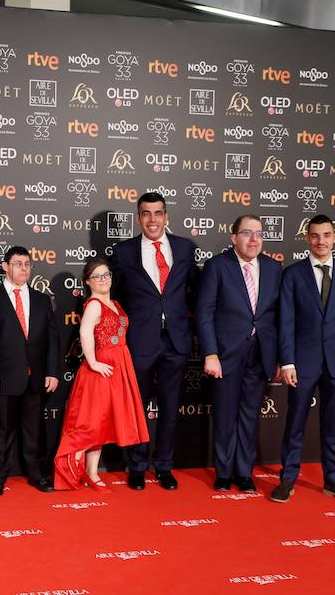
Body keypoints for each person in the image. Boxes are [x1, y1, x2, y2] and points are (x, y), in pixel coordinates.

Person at [273, 214, 335, 505]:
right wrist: (287, 362)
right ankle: (287, 479)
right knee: (295, 422)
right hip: (302, 362)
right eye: (315, 235)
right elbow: (285, 321)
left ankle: (334, 481)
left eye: (326, 235)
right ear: (307, 238)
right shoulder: (293, 274)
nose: (321, 241)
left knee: (333, 425)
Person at [112, 192, 199, 490]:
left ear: (166, 216)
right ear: (138, 218)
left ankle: (163, 466)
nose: (152, 219)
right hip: (139, 341)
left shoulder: (185, 249)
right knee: (136, 407)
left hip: (176, 340)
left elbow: (196, 293)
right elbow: (117, 298)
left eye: (158, 213)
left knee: (170, 408)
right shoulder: (124, 252)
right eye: (146, 214)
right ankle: (136, 466)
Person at [196, 215, 282, 492]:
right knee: (225, 415)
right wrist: (210, 353)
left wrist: (280, 356)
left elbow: (281, 317)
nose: (254, 239)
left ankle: (244, 473)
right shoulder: (217, 266)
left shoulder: (274, 268)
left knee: (249, 416)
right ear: (234, 238)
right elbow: (204, 312)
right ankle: (223, 472)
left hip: (261, 354)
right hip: (225, 355)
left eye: (258, 233)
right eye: (247, 233)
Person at [54, 257, 149, 491]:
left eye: (106, 275)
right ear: (88, 282)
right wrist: (93, 362)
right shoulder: (94, 304)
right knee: (91, 423)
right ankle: (73, 473)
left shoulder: (115, 303)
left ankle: (92, 472)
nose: (103, 280)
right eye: (97, 276)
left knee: (103, 423)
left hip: (119, 366)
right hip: (101, 368)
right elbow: (85, 333)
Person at [0, 246, 60, 496]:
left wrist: (53, 371)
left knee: (34, 430)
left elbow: (52, 340)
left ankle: (37, 475)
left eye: (27, 263)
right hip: (3, 379)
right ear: (5, 266)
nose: (24, 268)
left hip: (35, 378)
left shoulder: (42, 300)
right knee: (1, 431)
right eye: (18, 263)